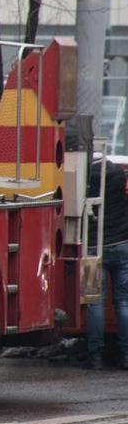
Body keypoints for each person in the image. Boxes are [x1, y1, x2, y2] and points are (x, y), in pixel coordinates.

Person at [86, 157, 128, 370]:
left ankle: (95, 356)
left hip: (94, 250)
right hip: (122, 247)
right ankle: (126, 353)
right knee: (123, 301)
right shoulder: (120, 180)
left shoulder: (88, 184)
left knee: (95, 303)